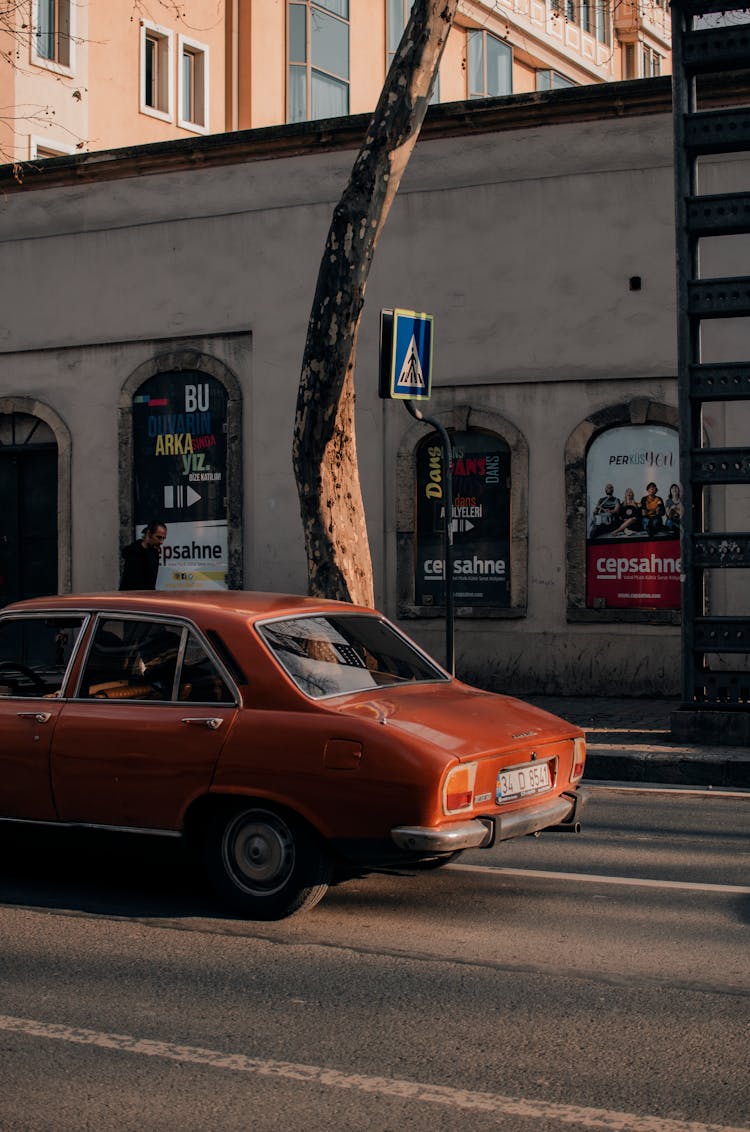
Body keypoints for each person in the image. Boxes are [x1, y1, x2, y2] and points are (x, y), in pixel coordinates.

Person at [119, 520, 167, 590]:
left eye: (163, 538)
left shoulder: (154, 552)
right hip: (130, 597)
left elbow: (151, 582)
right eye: (159, 537)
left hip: (146, 597)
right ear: (149, 534)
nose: (161, 542)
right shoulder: (134, 550)